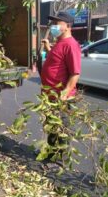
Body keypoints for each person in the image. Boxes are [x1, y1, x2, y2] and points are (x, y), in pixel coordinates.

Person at [41, 11, 81, 160]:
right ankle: (50, 154)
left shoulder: (71, 45)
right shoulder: (59, 43)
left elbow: (75, 73)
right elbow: (58, 63)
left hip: (60, 98)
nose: (53, 26)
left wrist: (64, 93)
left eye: (57, 23)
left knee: (60, 130)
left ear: (68, 26)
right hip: (50, 95)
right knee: (51, 127)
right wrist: (48, 49)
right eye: (53, 23)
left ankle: (58, 160)